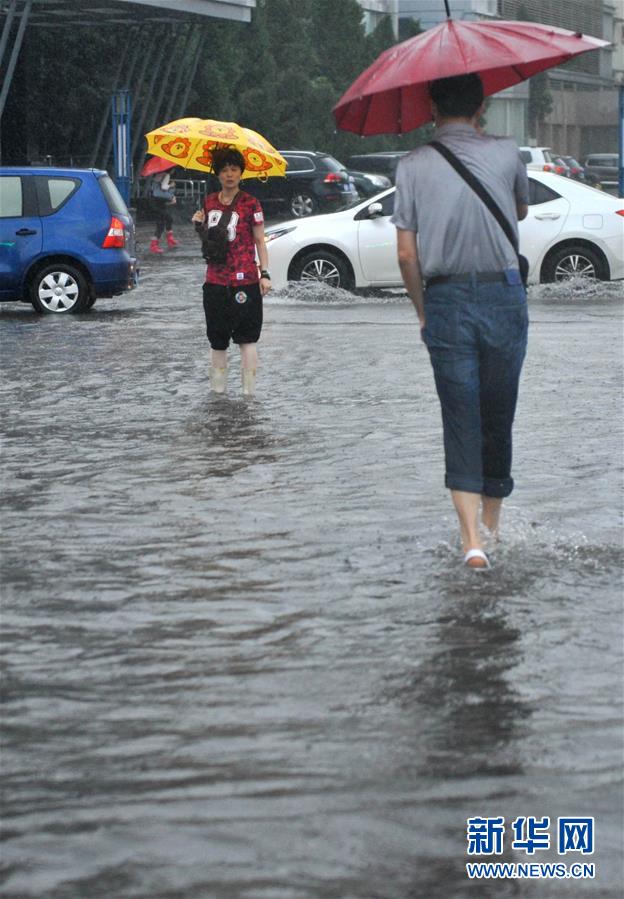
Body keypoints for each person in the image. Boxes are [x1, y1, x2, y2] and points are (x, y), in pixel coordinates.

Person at [391, 73, 529, 570]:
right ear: (483, 104)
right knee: (498, 414)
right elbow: (520, 210)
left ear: (431, 107)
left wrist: (424, 311)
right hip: (504, 296)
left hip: (445, 301)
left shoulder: (410, 165)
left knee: (460, 417)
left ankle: (471, 541)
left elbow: (407, 254)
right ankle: (492, 529)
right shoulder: (509, 150)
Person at [191, 147, 271, 396]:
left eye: (234, 170)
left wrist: (264, 273)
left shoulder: (251, 203)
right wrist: (198, 226)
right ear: (217, 174)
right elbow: (209, 244)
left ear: (241, 173)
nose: (229, 175)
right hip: (214, 282)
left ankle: (249, 396)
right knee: (217, 341)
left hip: (245, 281)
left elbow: (260, 241)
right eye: (224, 170)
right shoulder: (208, 202)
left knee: (247, 339)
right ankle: (218, 397)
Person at [149, 169, 179, 254]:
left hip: (157, 202)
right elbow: (163, 187)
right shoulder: (166, 175)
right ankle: (156, 244)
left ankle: (167, 239)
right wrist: (171, 185)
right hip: (158, 203)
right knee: (164, 222)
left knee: (164, 221)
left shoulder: (158, 175)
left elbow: (159, 191)